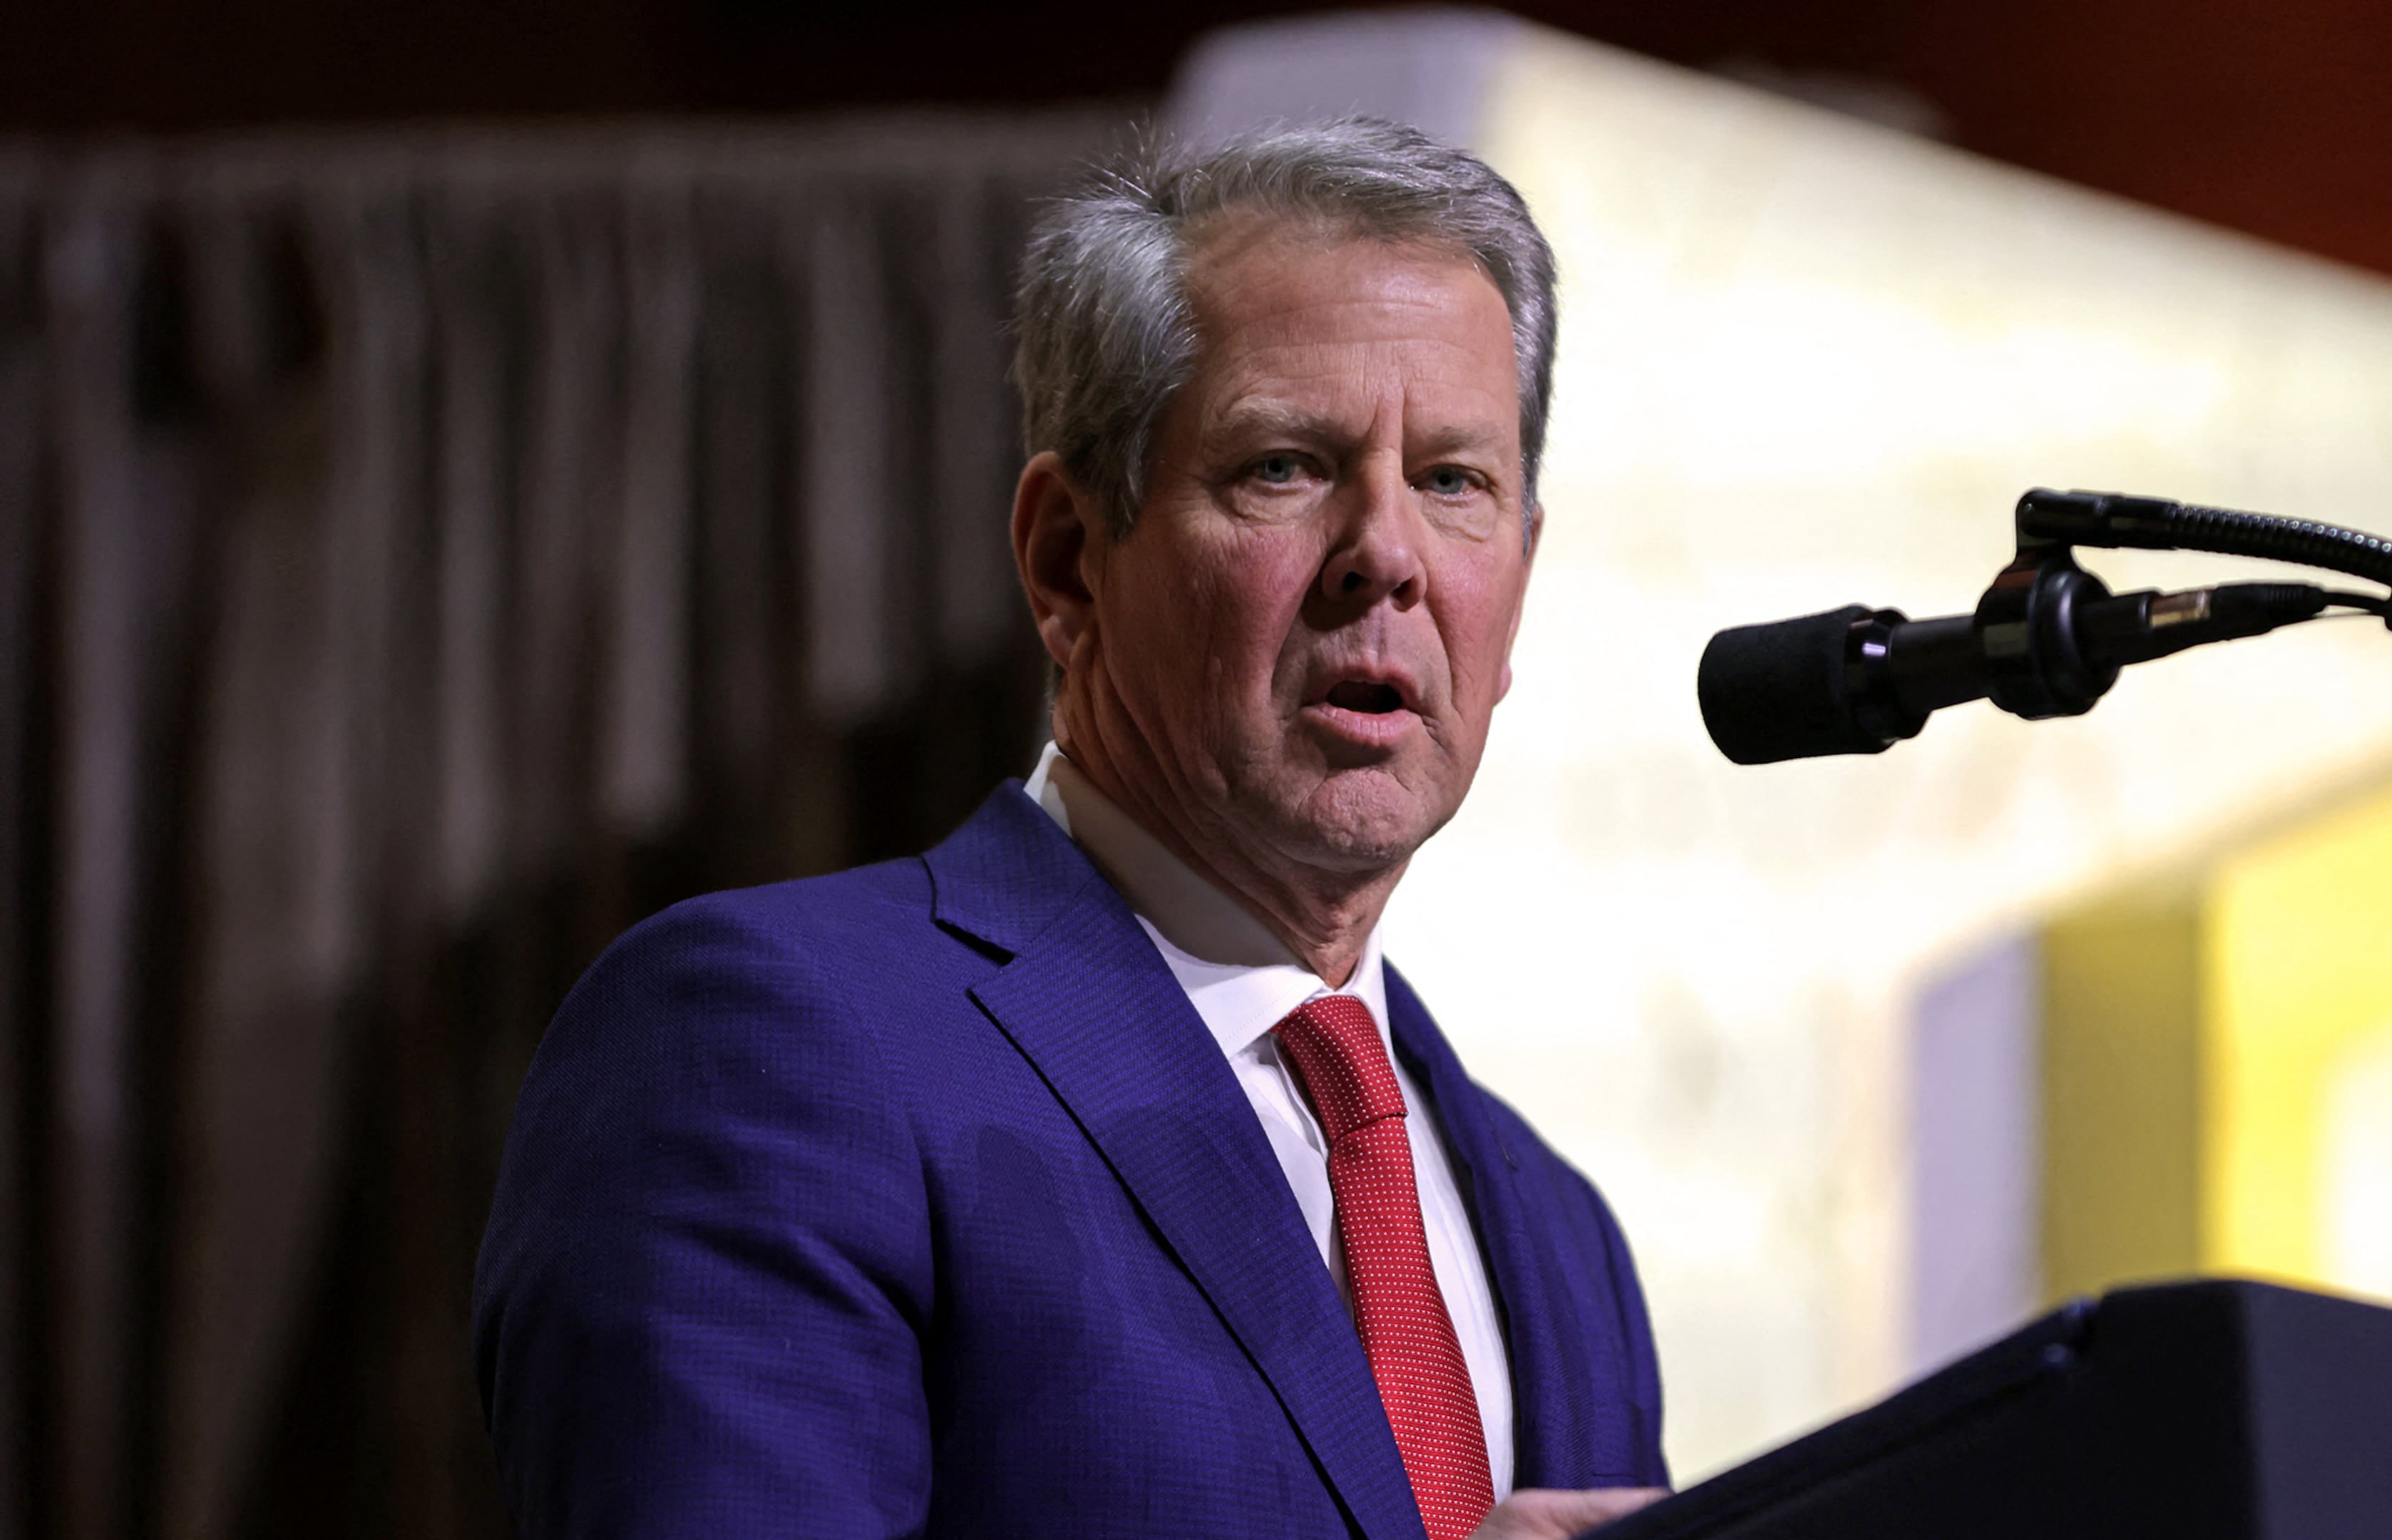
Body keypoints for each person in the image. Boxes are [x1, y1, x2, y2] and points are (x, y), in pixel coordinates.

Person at [473, 118, 1670, 1540]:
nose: (1389, 555)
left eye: (1455, 481)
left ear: (1520, 581)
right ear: (1066, 562)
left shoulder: (1561, 1232)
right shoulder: (770, 1050)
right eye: (1286, 465)